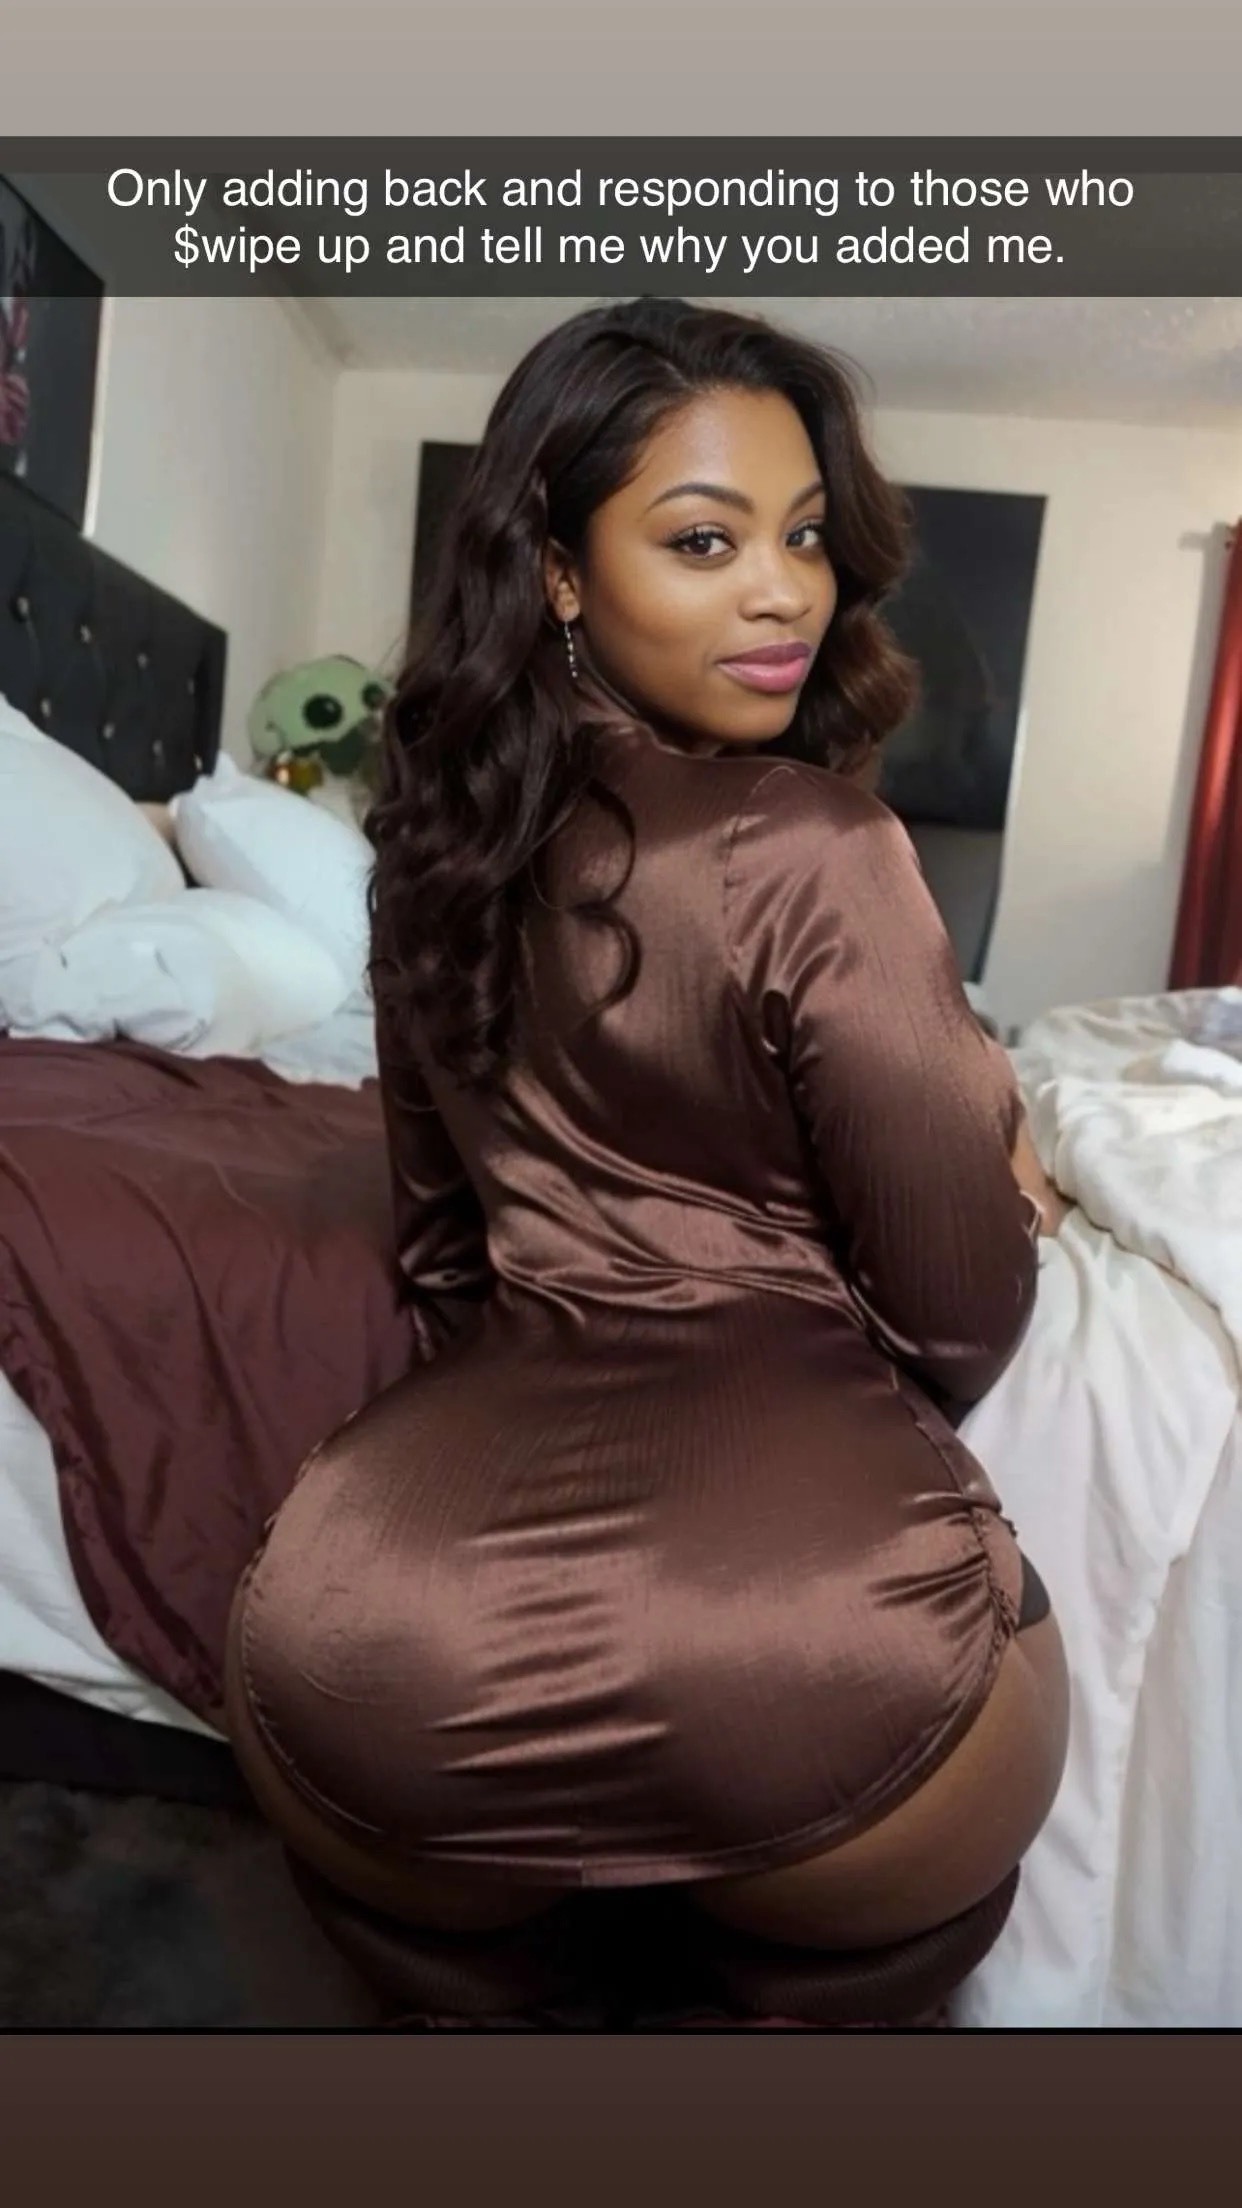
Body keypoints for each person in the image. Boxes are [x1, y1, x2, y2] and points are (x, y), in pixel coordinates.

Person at [225, 298, 1070, 2029]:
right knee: (870, 1935)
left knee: (453, 1975)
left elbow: (442, 1260)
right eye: (703, 540)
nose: (783, 593)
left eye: (805, 536)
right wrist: (1000, 1179)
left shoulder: (427, 861)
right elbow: (960, 1310)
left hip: (387, 1640)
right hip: (818, 1630)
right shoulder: (818, 844)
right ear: (557, 571)